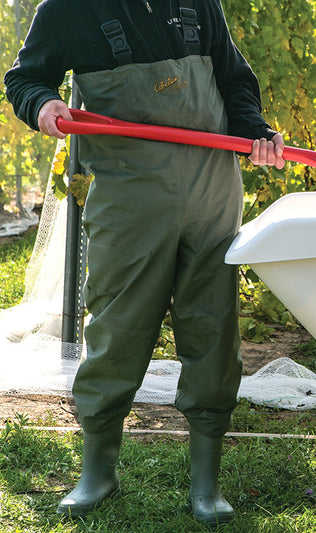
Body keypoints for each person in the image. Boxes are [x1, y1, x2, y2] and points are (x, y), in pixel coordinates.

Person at [4, 0, 285, 527]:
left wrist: (254, 131)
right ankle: (97, 473)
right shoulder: (67, 10)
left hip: (211, 189)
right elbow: (24, 78)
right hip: (128, 195)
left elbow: (233, 77)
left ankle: (207, 484)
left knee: (212, 324)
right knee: (117, 325)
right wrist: (42, 105)